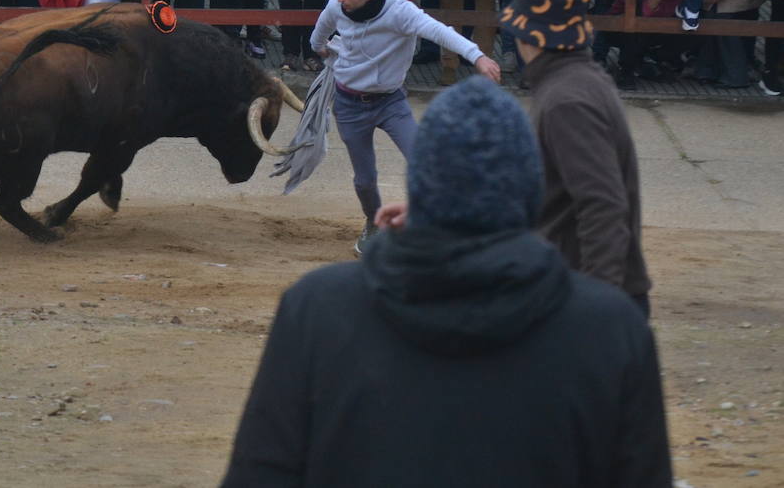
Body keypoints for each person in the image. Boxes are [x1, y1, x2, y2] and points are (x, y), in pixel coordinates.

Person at [223, 77, 672, 487]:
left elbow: (261, 474)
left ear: (422, 188)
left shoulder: (316, 310)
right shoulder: (610, 330)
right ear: (530, 194)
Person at [309, 0, 501, 253]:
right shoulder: (337, 5)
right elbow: (319, 35)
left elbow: (439, 31)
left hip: (390, 101)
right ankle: (373, 225)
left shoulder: (400, 13)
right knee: (365, 180)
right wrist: (322, 49)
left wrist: (477, 56)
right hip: (349, 104)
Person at [500, 0, 653, 314]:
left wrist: (597, 311)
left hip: (582, 297)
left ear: (528, 35)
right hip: (573, 289)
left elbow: (603, 206)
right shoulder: (575, 80)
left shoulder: (566, 101)